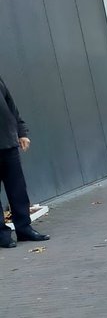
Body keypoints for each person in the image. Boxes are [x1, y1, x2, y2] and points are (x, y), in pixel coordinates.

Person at [0, 76, 49, 249]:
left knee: (18, 190)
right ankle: (2, 235)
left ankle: (24, 229)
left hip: (8, 143)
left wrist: (22, 132)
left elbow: (11, 107)